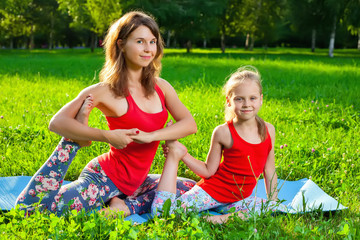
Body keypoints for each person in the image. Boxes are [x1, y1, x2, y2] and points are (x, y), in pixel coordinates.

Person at [15, 11, 197, 216]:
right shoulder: (105, 91)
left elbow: (190, 124)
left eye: (152, 41)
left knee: (189, 187)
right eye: (140, 41)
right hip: (103, 179)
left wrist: (152, 136)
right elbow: (56, 122)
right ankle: (75, 140)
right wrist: (106, 136)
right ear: (120, 44)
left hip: (136, 182)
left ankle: (125, 206)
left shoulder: (162, 87)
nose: (148, 49)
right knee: (32, 210)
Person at [151, 66, 284, 223]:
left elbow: (269, 169)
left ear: (261, 99)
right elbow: (208, 171)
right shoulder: (223, 132)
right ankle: (177, 151)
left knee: (266, 209)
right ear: (229, 101)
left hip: (238, 200)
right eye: (239, 99)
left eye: (252, 98)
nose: (247, 104)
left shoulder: (269, 130)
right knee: (163, 213)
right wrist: (184, 155)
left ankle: (220, 219)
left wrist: (273, 202)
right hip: (212, 192)